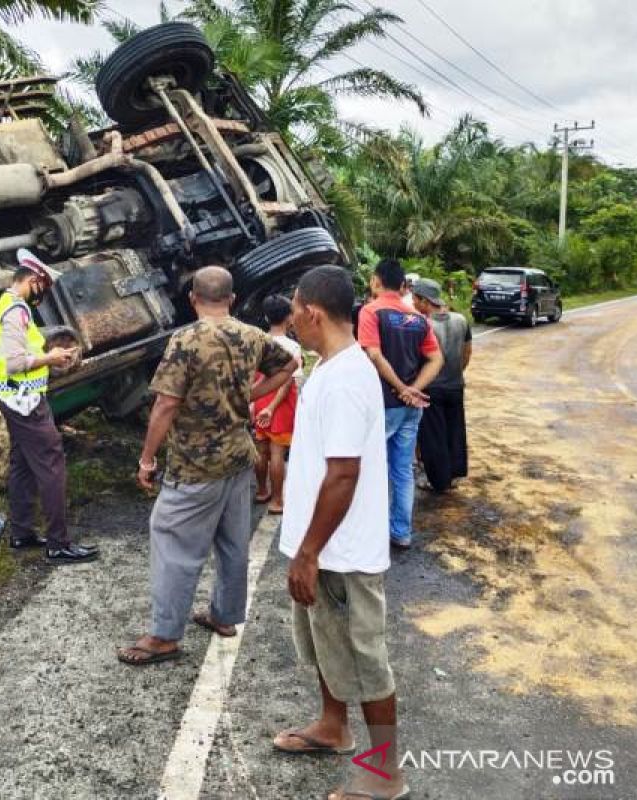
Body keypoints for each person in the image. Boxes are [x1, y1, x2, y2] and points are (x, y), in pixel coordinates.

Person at [273, 265, 407, 800]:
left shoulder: (350, 377)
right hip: (320, 546)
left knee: (365, 662)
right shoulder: (329, 367)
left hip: (341, 552)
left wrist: (308, 552)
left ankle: (384, 775)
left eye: (294, 307)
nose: (292, 317)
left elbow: (344, 472)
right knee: (328, 648)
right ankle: (332, 726)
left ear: (311, 312)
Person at [117, 267, 296, 665]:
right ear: (230, 299)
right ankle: (224, 616)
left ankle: (164, 635)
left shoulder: (186, 340)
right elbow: (288, 366)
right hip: (238, 458)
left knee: (173, 544)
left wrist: (147, 458)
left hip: (195, 465)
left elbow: (166, 403)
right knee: (233, 545)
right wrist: (252, 394)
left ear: (193, 299)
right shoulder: (252, 335)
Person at [0, 248, 98, 564]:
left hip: (17, 398)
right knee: (52, 464)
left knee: (22, 465)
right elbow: (15, 362)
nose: (43, 294)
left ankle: (22, 534)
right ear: (32, 280)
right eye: (43, 287)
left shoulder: (10, 306)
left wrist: (52, 359)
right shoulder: (15, 312)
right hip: (24, 403)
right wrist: (52, 357)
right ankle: (59, 544)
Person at [357, 258, 443, 548]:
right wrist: (413, 390)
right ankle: (401, 532)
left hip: (382, 405)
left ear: (376, 281)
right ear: (404, 285)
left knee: (373, 469)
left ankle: (372, 533)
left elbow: (373, 354)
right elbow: (436, 359)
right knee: (403, 470)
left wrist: (400, 388)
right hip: (410, 408)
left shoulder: (371, 312)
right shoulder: (418, 318)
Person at [411, 278, 471, 492]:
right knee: (455, 430)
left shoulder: (422, 324)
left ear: (425, 301)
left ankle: (438, 481)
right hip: (456, 385)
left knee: (433, 435)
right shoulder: (461, 320)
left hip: (432, 388)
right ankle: (454, 475)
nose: (413, 303)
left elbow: (419, 358)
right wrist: (456, 372)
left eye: (416, 299)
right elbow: (467, 352)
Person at [252, 295, 302, 515]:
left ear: (265, 316)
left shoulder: (257, 341)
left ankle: (262, 491)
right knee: (277, 454)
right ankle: (277, 500)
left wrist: (255, 405)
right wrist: (272, 408)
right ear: (289, 318)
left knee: (261, 451)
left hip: (260, 400)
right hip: (280, 405)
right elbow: (288, 380)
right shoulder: (292, 347)